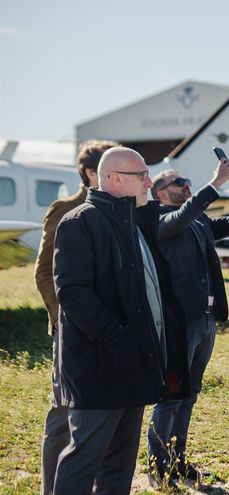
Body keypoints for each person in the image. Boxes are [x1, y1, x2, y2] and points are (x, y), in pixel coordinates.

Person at [52, 147, 188, 494]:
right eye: (141, 175)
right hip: (100, 369)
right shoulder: (79, 222)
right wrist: (118, 338)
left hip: (134, 366)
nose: (148, 182)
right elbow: (73, 294)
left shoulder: (135, 222)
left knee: (120, 465)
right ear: (113, 178)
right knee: (84, 459)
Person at [145, 161, 229, 486]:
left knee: (189, 394)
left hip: (205, 321)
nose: (187, 185)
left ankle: (177, 462)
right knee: (170, 397)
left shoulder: (198, 220)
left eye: (189, 181)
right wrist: (215, 182)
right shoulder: (158, 219)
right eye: (180, 182)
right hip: (177, 324)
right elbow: (182, 217)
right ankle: (158, 467)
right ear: (161, 191)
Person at [34, 139, 118, 495]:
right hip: (73, 332)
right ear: (91, 173)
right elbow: (45, 273)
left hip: (107, 331)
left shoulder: (119, 211)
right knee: (63, 416)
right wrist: (64, 322)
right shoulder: (66, 210)